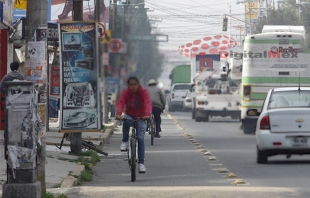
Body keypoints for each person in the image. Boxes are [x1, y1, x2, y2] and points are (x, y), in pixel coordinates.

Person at [116, 76, 152, 173]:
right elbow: (121, 103)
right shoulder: (125, 93)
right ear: (128, 86)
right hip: (130, 115)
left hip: (141, 116)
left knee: (140, 138)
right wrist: (119, 114)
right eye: (131, 85)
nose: (133, 87)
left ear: (138, 85)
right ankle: (124, 141)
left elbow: (148, 103)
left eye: (135, 84)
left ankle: (141, 163)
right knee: (126, 122)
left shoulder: (143, 92)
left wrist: (147, 114)